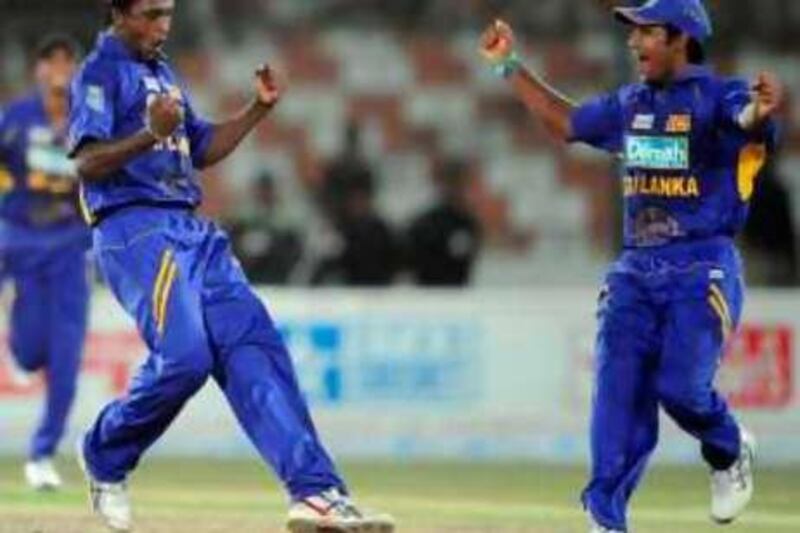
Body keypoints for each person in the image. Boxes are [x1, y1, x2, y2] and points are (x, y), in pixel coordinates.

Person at [68, 1, 395, 532]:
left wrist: (256, 110)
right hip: (135, 230)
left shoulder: (161, 71)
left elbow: (199, 147)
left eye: (169, 12)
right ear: (118, 12)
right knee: (187, 358)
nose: (164, 25)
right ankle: (104, 452)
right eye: (151, 14)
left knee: (256, 347)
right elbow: (85, 163)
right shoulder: (99, 72)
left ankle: (314, 492)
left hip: (192, 230)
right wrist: (149, 134)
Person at [478, 1, 783, 532]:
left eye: (645, 32)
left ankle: (729, 449)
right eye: (632, 32)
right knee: (618, 393)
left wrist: (760, 110)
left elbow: (746, 117)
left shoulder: (719, 96)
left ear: (680, 37)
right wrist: (509, 64)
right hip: (635, 270)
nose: (632, 42)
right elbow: (567, 123)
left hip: (703, 263)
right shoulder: (631, 103)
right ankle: (605, 518)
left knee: (681, 390)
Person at [0, 35, 90, 492]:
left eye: (66, 61)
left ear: (75, 69)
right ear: (38, 69)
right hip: (20, 241)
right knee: (31, 352)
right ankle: (17, 338)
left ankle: (41, 454)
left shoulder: (89, 119)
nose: (58, 68)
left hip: (71, 248)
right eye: (50, 60)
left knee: (67, 360)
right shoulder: (15, 117)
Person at [406, 158, 481, 286]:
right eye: (463, 184)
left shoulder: (471, 223)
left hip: (465, 298)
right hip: (432, 298)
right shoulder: (426, 224)